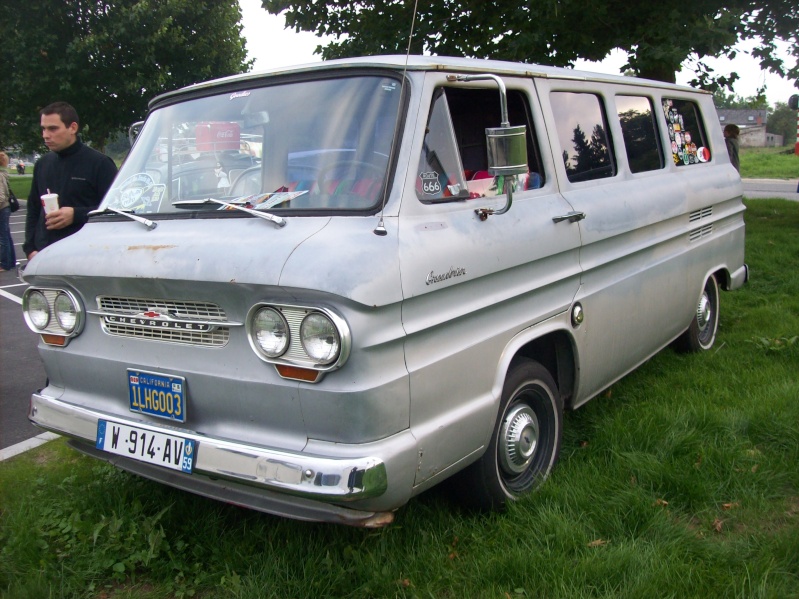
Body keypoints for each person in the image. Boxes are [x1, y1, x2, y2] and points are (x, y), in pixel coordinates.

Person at [23, 102, 118, 260]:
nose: (45, 135)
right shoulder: (42, 164)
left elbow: (116, 210)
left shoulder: (99, 163)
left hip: (84, 255)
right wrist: (30, 248)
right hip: (44, 254)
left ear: (72, 128)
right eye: (43, 129)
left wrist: (76, 214)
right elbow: (33, 209)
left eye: (53, 128)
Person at [0, 151, 17, 271]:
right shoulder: (3, 173)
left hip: (2, 207)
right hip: (5, 207)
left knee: (3, 237)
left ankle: (5, 263)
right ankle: (10, 261)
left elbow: (1, 196)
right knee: (6, 235)